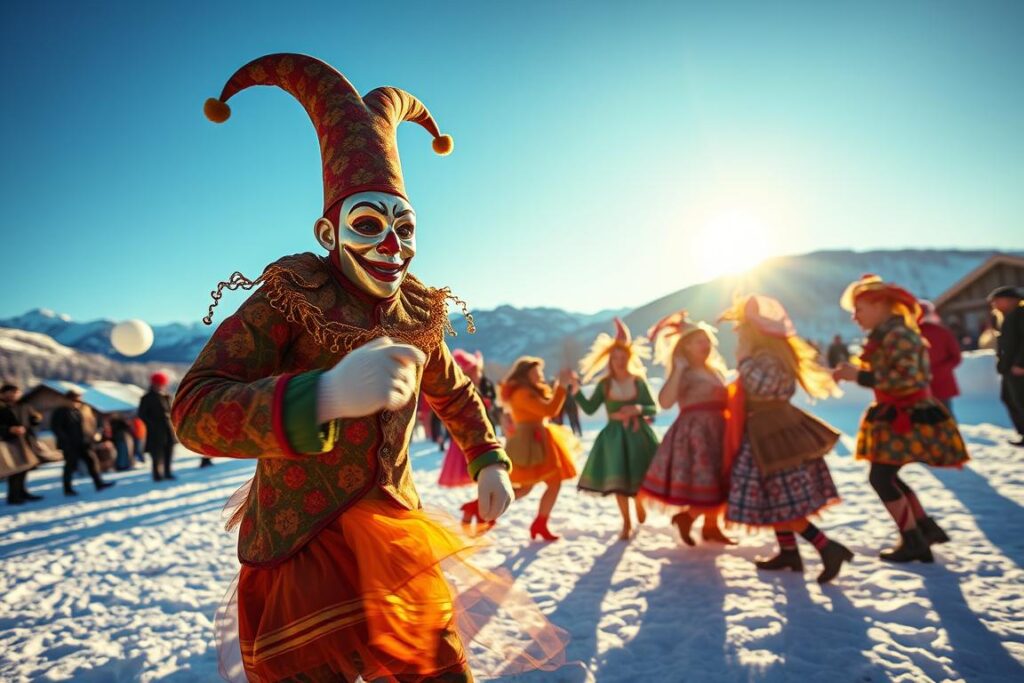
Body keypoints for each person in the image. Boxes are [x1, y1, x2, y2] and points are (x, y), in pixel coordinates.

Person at [171, 54, 537, 682]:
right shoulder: (291, 295)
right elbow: (194, 411)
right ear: (328, 230)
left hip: (394, 537)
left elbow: (454, 392)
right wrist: (322, 397)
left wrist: (488, 458)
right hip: (304, 545)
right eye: (368, 225)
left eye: (406, 227)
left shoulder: (416, 312)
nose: (393, 247)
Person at [834, 275, 969, 563]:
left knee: (881, 478)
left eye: (859, 309)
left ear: (880, 304)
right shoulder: (890, 334)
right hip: (897, 413)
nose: (855, 317)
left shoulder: (898, 335)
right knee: (887, 475)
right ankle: (923, 528)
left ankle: (914, 540)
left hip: (906, 415)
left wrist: (858, 375)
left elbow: (911, 378)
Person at [720, 295, 852, 584]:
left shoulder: (767, 360)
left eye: (742, 335)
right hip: (766, 431)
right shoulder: (765, 358)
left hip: (774, 435)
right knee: (773, 497)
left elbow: (763, 388)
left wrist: (743, 361)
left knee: (782, 501)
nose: (738, 341)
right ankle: (789, 553)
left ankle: (827, 548)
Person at [638, 311, 734, 546]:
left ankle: (711, 527)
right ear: (686, 347)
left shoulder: (715, 371)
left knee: (721, 479)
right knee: (706, 480)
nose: (706, 345)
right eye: (699, 341)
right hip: (695, 433)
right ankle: (687, 517)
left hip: (718, 430)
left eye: (707, 340)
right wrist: (678, 369)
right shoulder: (684, 372)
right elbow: (665, 402)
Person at [572, 318, 659, 541]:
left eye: (623, 357)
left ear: (629, 358)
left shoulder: (638, 381)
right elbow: (590, 409)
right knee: (619, 482)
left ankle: (639, 502)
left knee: (639, 477)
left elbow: (652, 408)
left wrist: (637, 408)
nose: (619, 362)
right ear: (610, 359)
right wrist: (576, 392)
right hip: (614, 437)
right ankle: (626, 523)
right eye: (615, 358)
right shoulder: (605, 384)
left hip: (638, 436)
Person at [500, 357, 578, 541]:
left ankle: (540, 523)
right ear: (525, 374)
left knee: (545, 484)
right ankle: (484, 507)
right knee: (527, 487)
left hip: (537, 440)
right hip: (528, 443)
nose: (540, 376)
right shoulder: (521, 393)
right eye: (536, 372)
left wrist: (565, 386)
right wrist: (561, 386)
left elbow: (550, 407)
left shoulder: (529, 390)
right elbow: (550, 410)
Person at [438, 350, 493, 528]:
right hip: (467, 441)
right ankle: (476, 510)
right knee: (481, 476)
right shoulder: (466, 393)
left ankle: (475, 511)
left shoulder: (476, 389)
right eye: (476, 371)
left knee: (482, 478)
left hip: (476, 439)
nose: (480, 374)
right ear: (468, 372)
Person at [51, 389, 114, 496]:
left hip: (84, 443)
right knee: (70, 466)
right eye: (75, 400)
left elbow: (87, 425)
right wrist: (66, 441)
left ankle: (99, 483)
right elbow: (57, 428)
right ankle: (68, 489)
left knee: (92, 461)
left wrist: (92, 435)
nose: (78, 403)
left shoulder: (80, 411)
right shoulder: (60, 412)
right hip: (70, 445)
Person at [989, 286, 1024, 446]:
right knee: (1010, 399)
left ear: (1010, 300)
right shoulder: (1005, 317)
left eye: (997, 300)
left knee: (1020, 400)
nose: (994, 304)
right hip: (1008, 368)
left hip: (1018, 369)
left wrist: (1020, 363)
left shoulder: (1020, 314)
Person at [0, 383, 44, 504]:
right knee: (14, 470)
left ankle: (22, 492)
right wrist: (9, 429)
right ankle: (13, 496)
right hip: (8, 442)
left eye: (17, 393)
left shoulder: (24, 405)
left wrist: (36, 419)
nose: (15, 395)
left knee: (24, 468)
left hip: (25, 441)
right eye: (12, 393)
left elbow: (33, 419)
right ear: (4, 394)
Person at [918, 300, 962, 415]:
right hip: (922, 384)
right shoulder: (911, 333)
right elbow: (956, 357)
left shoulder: (942, 332)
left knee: (942, 415)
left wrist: (938, 371)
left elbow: (956, 357)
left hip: (934, 382)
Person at [138, 372, 178, 481]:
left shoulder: (167, 396)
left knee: (169, 452)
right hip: (155, 431)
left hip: (168, 429)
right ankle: (157, 475)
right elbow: (141, 414)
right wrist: (152, 424)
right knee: (156, 454)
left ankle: (168, 472)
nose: (161, 386)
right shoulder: (146, 398)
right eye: (159, 384)